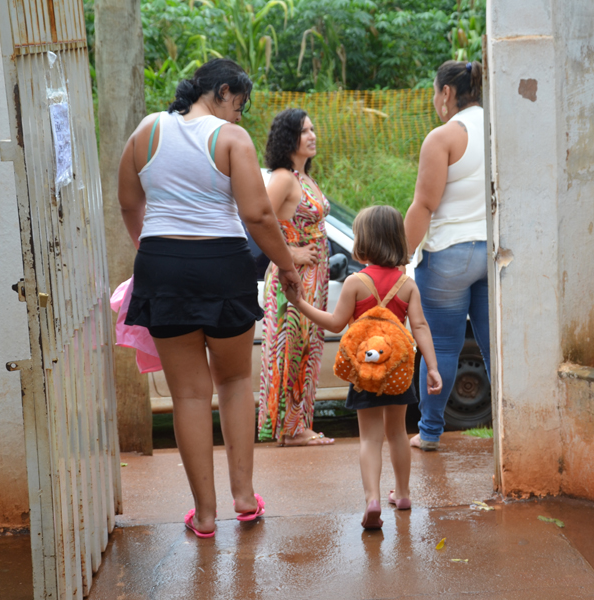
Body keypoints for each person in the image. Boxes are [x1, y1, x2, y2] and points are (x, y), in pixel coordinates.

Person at [117, 58, 302, 538]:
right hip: (223, 266)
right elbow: (258, 215)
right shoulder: (229, 139)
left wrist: (152, 249)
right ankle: (243, 498)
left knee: (189, 395)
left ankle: (203, 515)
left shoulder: (147, 131)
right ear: (221, 92)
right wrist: (285, 264)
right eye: (238, 106)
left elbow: (128, 202)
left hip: (161, 265)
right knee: (237, 379)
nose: (239, 118)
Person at [285, 206, 442, 529]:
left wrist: (300, 303)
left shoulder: (356, 283)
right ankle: (402, 493)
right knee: (398, 433)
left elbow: (334, 323)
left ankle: (372, 499)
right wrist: (433, 367)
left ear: (364, 242)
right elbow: (421, 327)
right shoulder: (407, 285)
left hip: (365, 371)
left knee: (370, 439)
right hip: (398, 371)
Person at [403, 60, 490, 452]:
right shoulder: (498, 124)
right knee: (495, 349)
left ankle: (430, 432)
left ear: (447, 94)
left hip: (448, 258)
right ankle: (514, 429)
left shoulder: (444, 137)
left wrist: (400, 258)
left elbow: (424, 205)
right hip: (492, 251)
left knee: (440, 347)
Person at [256, 109, 335, 447]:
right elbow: (259, 222)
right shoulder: (284, 178)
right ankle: (291, 429)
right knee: (292, 349)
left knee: (306, 349)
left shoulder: (303, 177)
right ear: (289, 138)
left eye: (313, 128)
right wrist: (291, 255)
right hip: (293, 277)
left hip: (313, 276)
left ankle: (297, 424)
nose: (312, 135)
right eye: (304, 131)